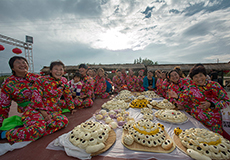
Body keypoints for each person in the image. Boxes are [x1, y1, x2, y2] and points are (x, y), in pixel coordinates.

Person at [169, 66, 230, 135]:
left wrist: (211, 104)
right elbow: (183, 100)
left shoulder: (214, 86)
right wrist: (176, 97)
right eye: (196, 77)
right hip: (196, 122)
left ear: (205, 76)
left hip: (213, 122)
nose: (199, 79)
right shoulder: (191, 88)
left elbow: (226, 101)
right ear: (192, 79)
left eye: (201, 76)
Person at [0, 56, 43, 142]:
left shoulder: (36, 77)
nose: (22, 64)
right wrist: (1, 123)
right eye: (18, 63)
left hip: (44, 108)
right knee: (37, 130)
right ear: (12, 67)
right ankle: (7, 134)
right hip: (29, 112)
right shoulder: (8, 84)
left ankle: (28, 128)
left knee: (61, 121)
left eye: (24, 62)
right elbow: (4, 105)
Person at [30, 60, 75, 139]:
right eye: (56, 69)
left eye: (61, 69)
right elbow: (36, 98)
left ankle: (38, 129)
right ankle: (7, 134)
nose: (58, 71)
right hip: (38, 110)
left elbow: (68, 95)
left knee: (63, 121)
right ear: (50, 70)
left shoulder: (64, 81)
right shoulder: (41, 80)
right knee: (37, 130)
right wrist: (44, 113)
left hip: (53, 110)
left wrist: (71, 108)